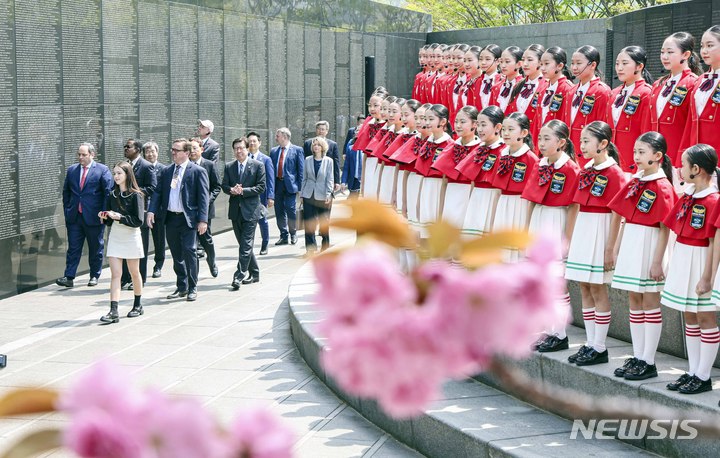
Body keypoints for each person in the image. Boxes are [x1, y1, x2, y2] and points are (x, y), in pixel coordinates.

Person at [608, 132, 676, 380]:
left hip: (650, 245)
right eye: (635, 151)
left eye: (642, 152)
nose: (636, 157)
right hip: (633, 242)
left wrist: (658, 260)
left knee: (650, 302)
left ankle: (648, 360)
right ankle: (637, 356)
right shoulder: (636, 180)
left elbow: (664, 227)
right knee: (634, 300)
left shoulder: (662, 185)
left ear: (657, 156)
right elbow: (621, 212)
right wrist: (616, 247)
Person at [564, 121, 626, 366]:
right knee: (585, 287)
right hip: (584, 229)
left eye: (586, 141)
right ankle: (589, 344)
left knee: (598, 288)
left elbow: (616, 214)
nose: (582, 146)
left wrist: (610, 248)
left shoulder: (614, 173)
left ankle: (599, 346)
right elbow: (577, 205)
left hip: (601, 230)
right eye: (580, 141)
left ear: (603, 144)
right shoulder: (586, 169)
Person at [661, 144, 720, 395]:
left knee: (705, 316)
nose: (680, 169)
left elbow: (713, 241)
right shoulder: (688, 195)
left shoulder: (714, 199)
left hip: (702, 259)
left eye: (684, 165)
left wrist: (707, 276)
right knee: (689, 314)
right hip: (685, 256)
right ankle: (693, 371)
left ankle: (704, 375)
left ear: (696, 169)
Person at [522, 120, 581, 353]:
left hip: (557, 220)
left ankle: (560, 332)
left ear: (561, 142)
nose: (542, 143)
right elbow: (530, 198)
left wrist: (567, 237)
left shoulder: (570, 169)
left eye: (547, 139)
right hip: (540, 220)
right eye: (540, 138)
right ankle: (547, 329)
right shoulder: (541, 164)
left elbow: (573, 206)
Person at [147, 139, 209, 302]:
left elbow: (203, 198)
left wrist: (203, 220)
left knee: (189, 250)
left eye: (176, 150)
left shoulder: (197, 171)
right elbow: (158, 193)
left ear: (186, 153)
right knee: (176, 254)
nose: (173, 152)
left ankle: (192, 287)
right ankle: (182, 286)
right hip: (171, 219)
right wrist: (151, 210)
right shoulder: (167, 171)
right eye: (172, 149)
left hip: (188, 219)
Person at [56, 143, 113, 288]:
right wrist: (68, 210)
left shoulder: (102, 170)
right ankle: (69, 277)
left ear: (92, 155)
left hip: (94, 216)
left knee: (95, 247)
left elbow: (108, 193)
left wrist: (104, 213)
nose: (80, 157)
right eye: (79, 154)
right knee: (73, 247)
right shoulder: (72, 170)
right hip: (75, 217)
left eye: (84, 155)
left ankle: (94, 275)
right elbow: (66, 192)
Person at [642, 32, 700, 172]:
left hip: (677, 157)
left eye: (670, 52)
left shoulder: (693, 82)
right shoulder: (658, 84)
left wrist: (684, 159)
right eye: (662, 52)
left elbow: (690, 126)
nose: (664, 57)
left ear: (685, 55)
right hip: (654, 156)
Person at [99, 162, 146, 323]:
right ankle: (113, 311)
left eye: (119, 173)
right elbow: (109, 222)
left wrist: (120, 217)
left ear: (127, 175)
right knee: (115, 274)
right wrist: (105, 218)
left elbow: (139, 220)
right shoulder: (112, 194)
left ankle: (138, 305)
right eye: (114, 173)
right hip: (116, 236)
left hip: (131, 236)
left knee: (134, 273)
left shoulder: (136, 195)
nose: (116, 176)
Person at [222, 137, 266, 290]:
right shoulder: (229, 167)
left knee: (246, 245)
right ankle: (255, 273)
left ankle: (238, 276)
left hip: (251, 211)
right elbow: (224, 185)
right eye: (236, 148)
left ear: (247, 149)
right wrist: (231, 190)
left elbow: (261, 187)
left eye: (241, 148)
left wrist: (243, 191)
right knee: (244, 245)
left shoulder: (258, 166)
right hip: (235, 211)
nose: (238, 151)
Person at [456, 106, 506, 237]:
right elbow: (472, 179)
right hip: (476, 201)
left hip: (494, 202)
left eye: (484, 125)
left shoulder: (504, 152)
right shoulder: (478, 150)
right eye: (478, 125)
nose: (480, 129)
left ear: (498, 127)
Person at [431, 105, 480, 228]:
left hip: (470, 199)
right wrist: (441, 208)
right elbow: (444, 181)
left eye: (462, 122)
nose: (458, 125)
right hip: (451, 196)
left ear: (475, 124)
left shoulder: (480, 149)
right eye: (456, 121)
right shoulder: (451, 147)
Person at [607, 46, 653, 172]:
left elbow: (646, 132)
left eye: (625, 63)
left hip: (632, 161)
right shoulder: (614, 93)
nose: (619, 68)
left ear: (639, 66)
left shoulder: (646, 93)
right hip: (612, 160)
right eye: (617, 64)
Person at [566, 45, 612, 167]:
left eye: (579, 63)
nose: (574, 67)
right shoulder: (571, 91)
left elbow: (603, 126)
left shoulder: (601, 91)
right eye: (572, 63)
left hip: (590, 154)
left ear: (593, 65)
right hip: (570, 152)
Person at [120, 138, 157, 290]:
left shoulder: (146, 166)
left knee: (140, 246)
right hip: (125, 213)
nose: (125, 149)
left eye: (128, 147)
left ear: (137, 149)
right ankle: (125, 278)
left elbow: (152, 187)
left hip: (140, 211)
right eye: (125, 146)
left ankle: (140, 278)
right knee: (125, 247)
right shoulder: (124, 166)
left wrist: (135, 192)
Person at [680, 26, 720, 157]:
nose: (704, 51)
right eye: (702, 46)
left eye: (710, 45)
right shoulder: (700, 80)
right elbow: (690, 123)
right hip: (696, 155)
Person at [190, 137, 221, 277]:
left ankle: (212, 261)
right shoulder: (185, 165)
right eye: (189, 149)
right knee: (192, 243)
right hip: (189, 210)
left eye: (195, 148)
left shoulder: (208, 165)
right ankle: (193, 274)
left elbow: (216, 186)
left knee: (206, 239)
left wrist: (207, 201)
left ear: (202, 149)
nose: (192, 151)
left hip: (205, 210)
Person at [270, 127, 304, 246]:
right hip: (277, 184)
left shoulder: (297, 150)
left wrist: (301, 189)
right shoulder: (274, 151)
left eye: (277, 136)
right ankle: (283, 235)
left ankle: (293, 233)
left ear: (284, 137)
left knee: (291, 210)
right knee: (279, 211)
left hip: (291, 185)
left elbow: (301, 171)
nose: (275, 138)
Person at [301, 137, 335, 254]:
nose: (316, 147)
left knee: (324, 222)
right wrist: (302, 193)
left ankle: (325, 245)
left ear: (323, 147)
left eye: (318, 145)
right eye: (314, 145)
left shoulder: (328, 161)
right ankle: (310, 248)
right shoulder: (307, 160)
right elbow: (304, 178)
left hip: (323, 194)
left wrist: (328, 194)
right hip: (309, 194)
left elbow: (330, 179)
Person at [247, 132, 275, 256]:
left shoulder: (266, 159)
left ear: (259, 143)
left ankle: (265, 243)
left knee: (262, 220)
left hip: (261, 196)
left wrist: (270, 196)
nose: (252, 143)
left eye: (254, 141)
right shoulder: (244, 157)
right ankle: (248, 246)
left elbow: (270, 179)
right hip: (247, 196)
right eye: (250, 141)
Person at [143, 142, 166, 278]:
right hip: (143, 210)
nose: (150, 154)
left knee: (159, 239)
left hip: (158, 211)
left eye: (152, 151)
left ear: (157, 152)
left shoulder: (164, 169)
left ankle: (158, 265)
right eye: (147, 152)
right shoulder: (141, 169)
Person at [304, 121, 340, 192]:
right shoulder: (308, 143)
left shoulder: (332, 145)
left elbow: (336, 163)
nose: (320, 131)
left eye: (323, 129)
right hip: (311, 179)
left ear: (327, 131)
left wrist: (337, 181)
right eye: (318, 129)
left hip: (327, 178)